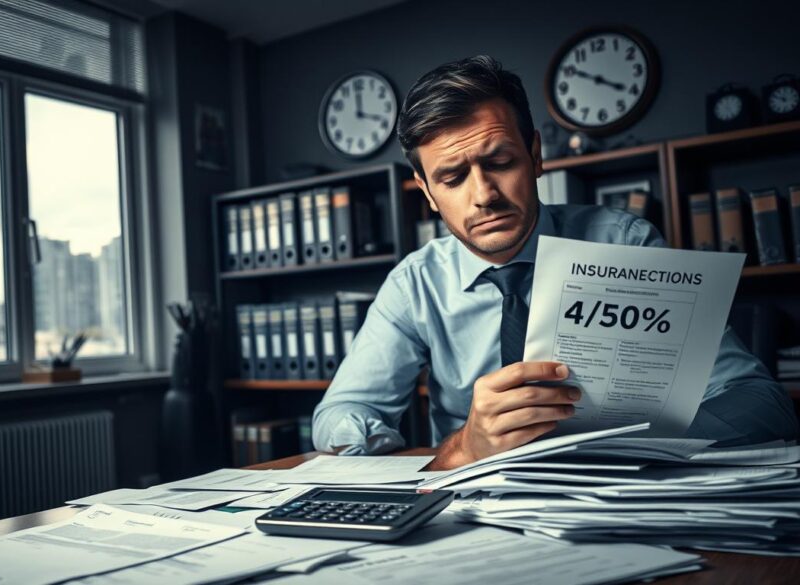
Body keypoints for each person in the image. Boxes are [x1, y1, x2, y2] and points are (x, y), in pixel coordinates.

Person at [312, 55, 799, 470]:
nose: (484, 195)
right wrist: (461, 449)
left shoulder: (623, 244)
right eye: (453, 178)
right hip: (476, 503)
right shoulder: (414, 283)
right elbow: (338, 415)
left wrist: (635, 447)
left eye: (500, 162)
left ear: (535, 156)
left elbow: (763, 405)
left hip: (623, 493)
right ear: (428, 193)